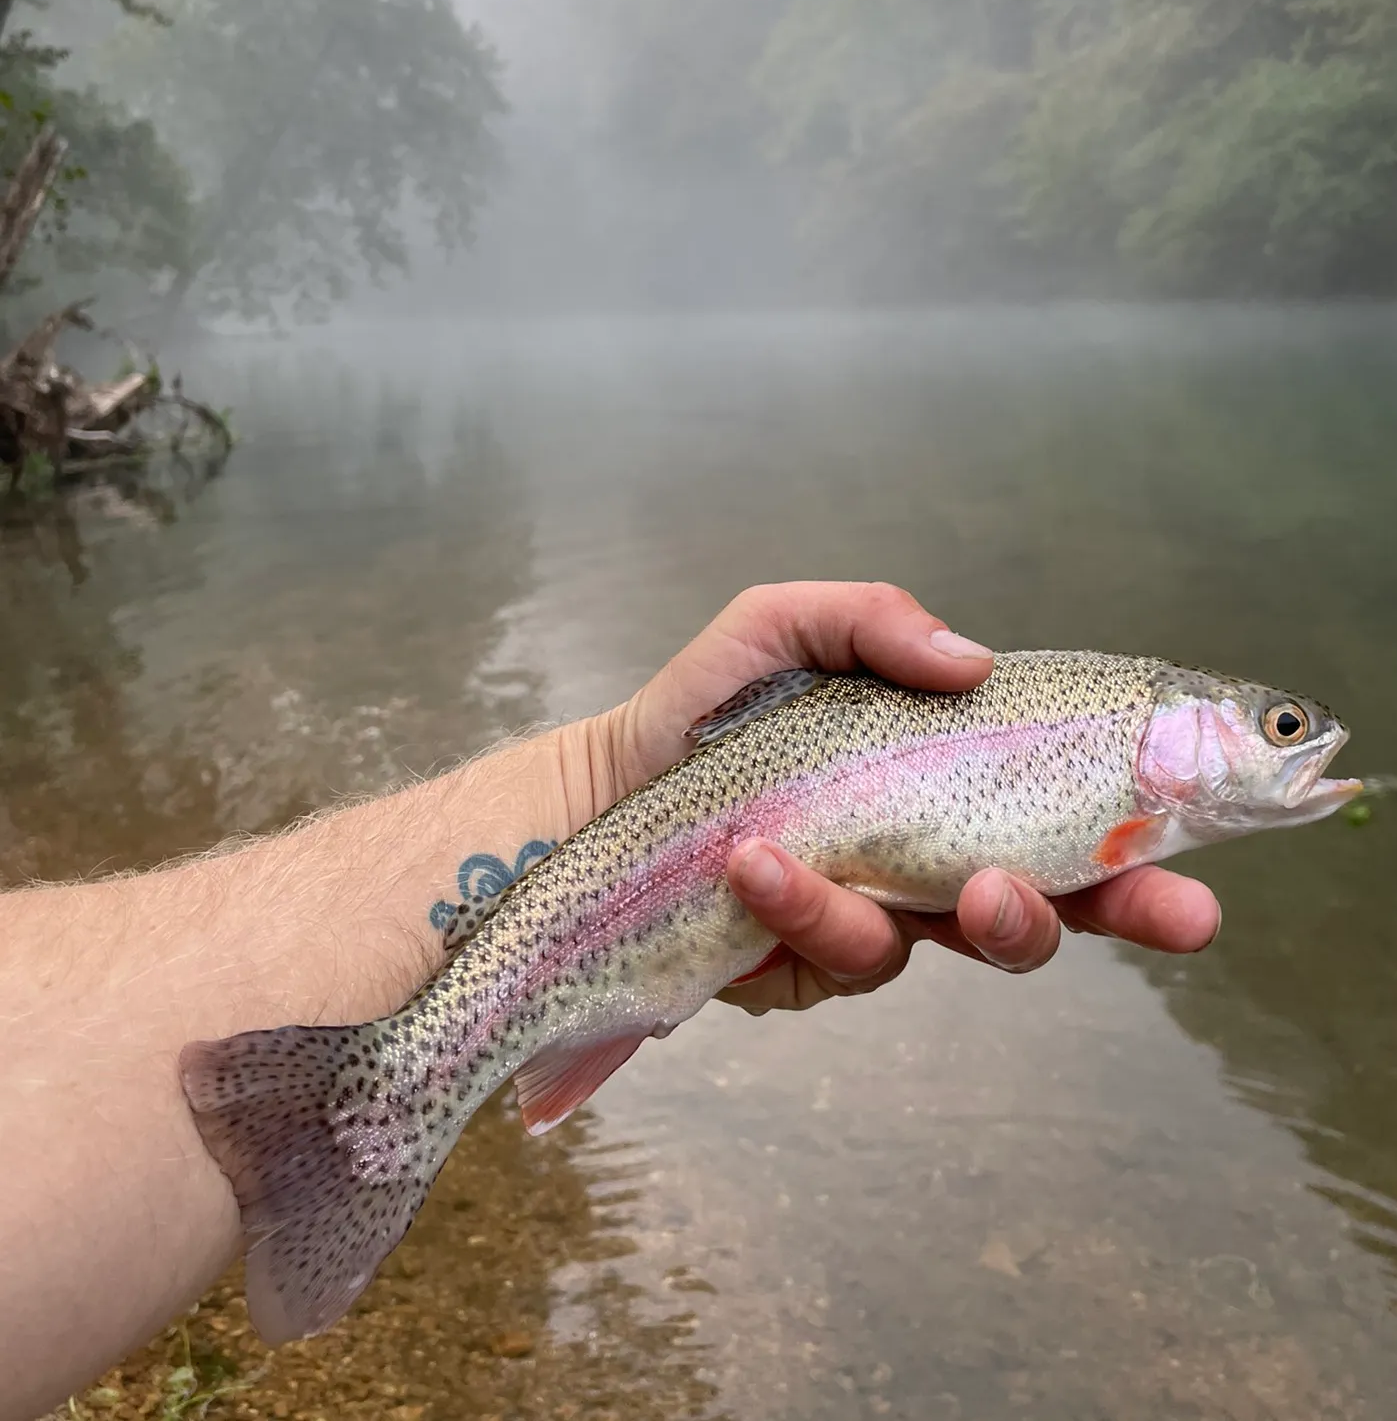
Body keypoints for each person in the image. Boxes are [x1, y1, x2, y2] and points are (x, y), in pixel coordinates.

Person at [0, 581, 1219, 1419]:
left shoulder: (1121, 758)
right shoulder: (1121, 764)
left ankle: (401, 1084)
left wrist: (606, 767)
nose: (1298, 747)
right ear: (1178, 733)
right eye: (1278, 728)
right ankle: (384, 1098)